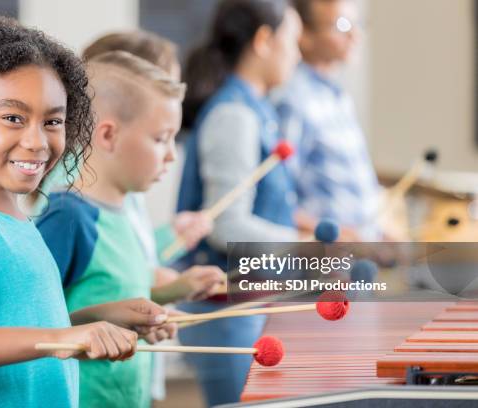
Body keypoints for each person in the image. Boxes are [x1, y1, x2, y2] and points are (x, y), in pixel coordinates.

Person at [0, 13, 170, 408]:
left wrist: (93, 322)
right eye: (13, 118)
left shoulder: (21, 224)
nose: (38, 141)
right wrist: (59, 339)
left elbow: (18, 335)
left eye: (53, 121)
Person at [37, 51, 223, 408]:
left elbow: (118, 295)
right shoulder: (68, 217)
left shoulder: (125, 217)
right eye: (160, 138)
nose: (171, 155)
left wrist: (174, 294)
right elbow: (31, 326)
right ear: (108, 135)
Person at [175, 0, 302, 405]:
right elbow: (229, 225)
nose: (297, 54)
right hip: (228, 313)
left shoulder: (254, 107)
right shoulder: (234, 113)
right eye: (292, 42)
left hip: (250, 305)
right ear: (264, 41)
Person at [276, 0, 380, 240]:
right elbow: (277, 198)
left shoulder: (337, 97)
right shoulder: (294, 99)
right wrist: (330, 234)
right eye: (341, 25)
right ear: (304, 35)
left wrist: (379, 233)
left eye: (356, 24)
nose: (355, 34)